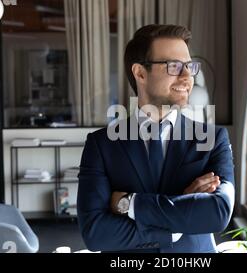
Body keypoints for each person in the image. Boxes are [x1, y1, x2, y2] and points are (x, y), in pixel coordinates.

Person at [77, 24, 235, 253]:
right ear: (140, 73)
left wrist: (130, 203)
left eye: (190, 66)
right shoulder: (101, 145)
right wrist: (180, 215)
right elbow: (96, 234)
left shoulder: (213, 139)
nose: (187, 76)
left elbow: (218, 213)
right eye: (174, 66)